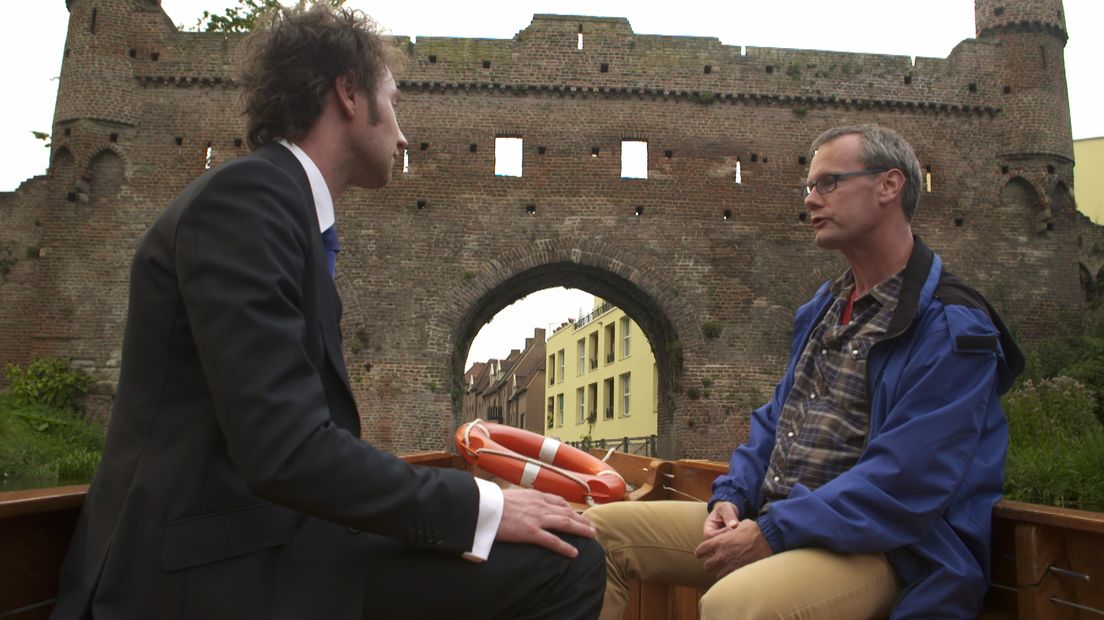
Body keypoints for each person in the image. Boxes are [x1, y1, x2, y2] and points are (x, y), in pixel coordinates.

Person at [52, 6, 603, 619]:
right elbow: (286, 449)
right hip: (198, 573)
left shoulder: (281, 212)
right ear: (348, 92)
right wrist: (480, 506)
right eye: (392, 102)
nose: (401, 136)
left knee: (552, 550)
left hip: (261, 542)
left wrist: (468, 508)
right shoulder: (248, 200)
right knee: (568, 563)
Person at [586, 125, 1024, 619]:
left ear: (889, 186)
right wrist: (730, 498)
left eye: (828, 184)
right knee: (591, 535)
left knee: (736, 605)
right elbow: (777, 421)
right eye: (809, 187)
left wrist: (774, 532)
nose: (811, 201)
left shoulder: (950, 325)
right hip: (780, 517)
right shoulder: (824, 306)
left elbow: (908, 479)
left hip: (886, 547)